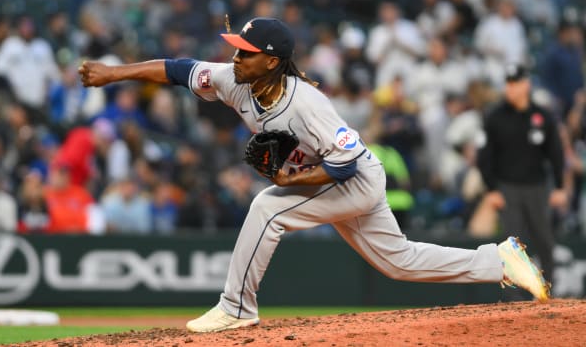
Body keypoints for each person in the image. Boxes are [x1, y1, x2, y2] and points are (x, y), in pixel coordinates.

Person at [79, 17, 550, 333]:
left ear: (271, 61)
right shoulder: (233, 80)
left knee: (268, 208)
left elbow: (342, 165)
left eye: (245, 53)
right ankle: (500, 261)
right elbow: (178, 70)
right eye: (236, 51)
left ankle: (237, 309)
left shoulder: (307, 104)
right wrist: (113, 73)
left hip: (355, 180)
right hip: (338, 179)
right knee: (399, 262)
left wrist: (288, 183)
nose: (235, 59)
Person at [477, 64, 567, 300]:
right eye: (507, 83)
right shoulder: (495, 117)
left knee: (545, 241)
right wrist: (491, 189)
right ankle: (515, 302)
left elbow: (555, 152)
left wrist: (559, 186)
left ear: (526, 84)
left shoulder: (542, 116)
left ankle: (548, 295)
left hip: (537, 187)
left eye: (514, 83)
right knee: (512, 247)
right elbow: (484, 155)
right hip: (507, 189)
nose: (510, 88)